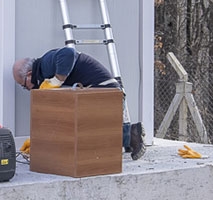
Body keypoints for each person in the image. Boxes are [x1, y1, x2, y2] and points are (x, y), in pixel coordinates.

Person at [12, 47, 146, 160]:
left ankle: (131, 134)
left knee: (81, 128)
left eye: (24, 85)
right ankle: (128, 139)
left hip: (107, 92)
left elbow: (69, 52)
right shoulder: (43, 73)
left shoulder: (45, 64)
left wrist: (58, 80)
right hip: (107, 92)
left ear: (29, 74)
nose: (28, 89)